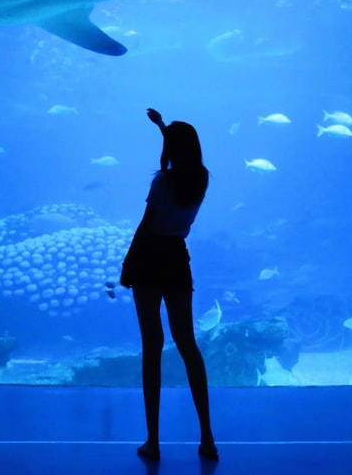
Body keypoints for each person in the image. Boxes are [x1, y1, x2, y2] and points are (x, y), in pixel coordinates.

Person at [120, 108, 218, 462]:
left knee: (152, 346)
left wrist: (127, 263)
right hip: (178, 259)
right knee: (188, 346)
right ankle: (207, 437)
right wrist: (162, 128)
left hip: (149, 259)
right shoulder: (201, 179)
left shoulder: (162, 182)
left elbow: (146, 225)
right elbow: (177, 153)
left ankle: (153, 441)